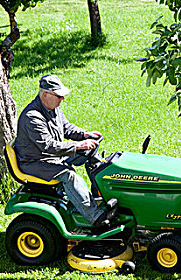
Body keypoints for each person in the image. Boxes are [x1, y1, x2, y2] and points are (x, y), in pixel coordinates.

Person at [15, 74, 113, 227]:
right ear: (45, 94)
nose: (62, 99)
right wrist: (78, 146)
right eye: (59, 96)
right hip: (35, 162)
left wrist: (84, 134)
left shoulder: (53, 108)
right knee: (70, 176)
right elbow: (48, 146)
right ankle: (96, 218)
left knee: (90, 157)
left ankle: (99, 196)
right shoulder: (32, 117)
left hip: (52, 156)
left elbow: (66, 127)